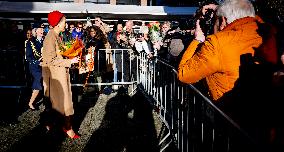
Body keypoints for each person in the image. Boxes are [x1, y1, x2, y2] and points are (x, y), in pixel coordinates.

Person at [41, 10, 80, 139]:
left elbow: (59, 54)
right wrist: (70, 61)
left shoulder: (57, 35)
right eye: (64, 21)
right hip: (55, 77)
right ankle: (62, 127)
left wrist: (72, 55)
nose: (66, 24)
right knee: (60, 103)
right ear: (57, 23)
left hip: (61, 74)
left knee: (64, 103)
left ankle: (64, 127)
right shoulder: (50, 37)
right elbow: (49, 59)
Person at [25, 22, 44, 110]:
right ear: (35, 31)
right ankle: (30, 103)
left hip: (44, 65)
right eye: (40, 29)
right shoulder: (30, 42)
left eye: (43, 29)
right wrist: (37, 62)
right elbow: (28, 57)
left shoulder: (44, 40)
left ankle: (48, 101)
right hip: (35, 66)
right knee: (38, 80)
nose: (42, 31)